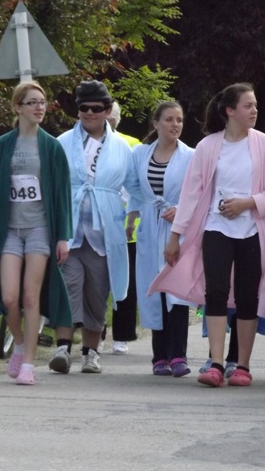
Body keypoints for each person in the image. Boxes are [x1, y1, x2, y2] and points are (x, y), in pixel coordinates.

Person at [150, 82, 265, 388]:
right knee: (216, 293)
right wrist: (176, 236)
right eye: (248, 106)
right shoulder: (208, 146)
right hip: (215, 228)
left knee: (248, 296)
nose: (255, 110)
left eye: (255, 105)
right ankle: (217, 363)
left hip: (253, 231)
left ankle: (243, 365)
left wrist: (247, 203)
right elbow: (191, 194)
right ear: (230, 111)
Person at [0, 82, 72, 385]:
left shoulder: (52, 147)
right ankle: (17, 343)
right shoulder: (3, 145)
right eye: (32, 102)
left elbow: (62, 195)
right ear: (18, 107)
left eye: (42, 102)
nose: (39, 107)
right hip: (9, 230)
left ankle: (28, 362)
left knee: (31, 297)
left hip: (40, 229)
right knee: (9, 297)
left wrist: (63, 236)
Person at [48, 80, 140, 374]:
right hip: (70, 231)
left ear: (107, 110)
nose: (89, 113)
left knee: (97, 294)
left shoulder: (123, 148)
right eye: (84, 108)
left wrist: (132, 217)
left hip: (104, 233)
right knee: (68, 287)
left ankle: (91, 353)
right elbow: (51, 184)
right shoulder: (62, 142)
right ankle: (63, 348)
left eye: (96, 108)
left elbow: (135, 187)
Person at [126, 101, 194, 376]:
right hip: (150, 226)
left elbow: (197, 192)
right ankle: (159, 356)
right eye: (169, 119)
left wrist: (180, 210)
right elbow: (133, 185)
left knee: (175, 290)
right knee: (154, 288)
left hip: (177, 229)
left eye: (179, 120)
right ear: (156, 123)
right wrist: (132, 217)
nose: (175, 125)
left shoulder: (190, 156)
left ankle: (178, 355)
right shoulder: (140, 154)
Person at [106, 100, 142, 355]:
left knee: (126, 285)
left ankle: (122, 336)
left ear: (116, 119)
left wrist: (131, 216)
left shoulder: (131, 144)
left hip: (128, 228)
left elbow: (136, 184)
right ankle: (93, 333)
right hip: (97, 226)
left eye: (110, 117)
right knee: (96, 283)